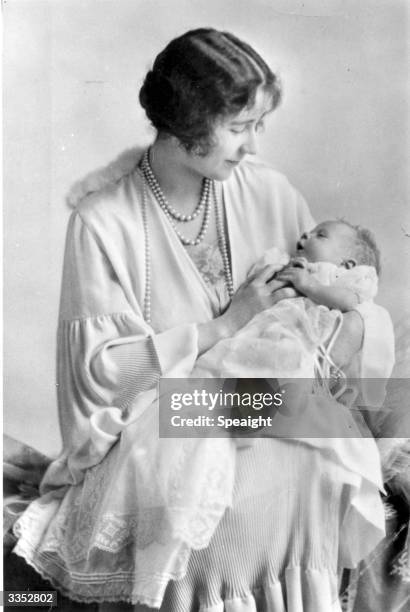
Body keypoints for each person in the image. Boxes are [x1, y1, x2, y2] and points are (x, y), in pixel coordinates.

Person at [13, 28, 392, 611]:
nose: (250, 145)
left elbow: (332, 308)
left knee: (331, 432)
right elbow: (102, 377)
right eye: (238, 128)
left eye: (257, 127)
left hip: (273, 402)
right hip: (161, 421)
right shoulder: (102, 222)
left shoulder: (269, 192)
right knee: (271, 461)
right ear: (187, 123)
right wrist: (223, 327)